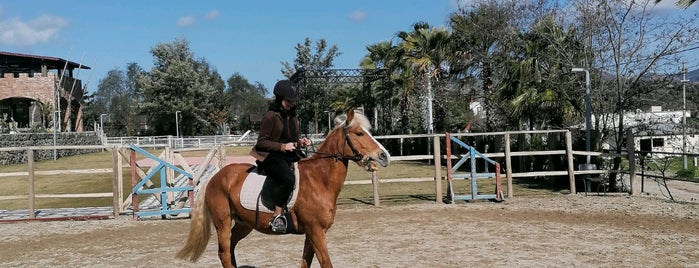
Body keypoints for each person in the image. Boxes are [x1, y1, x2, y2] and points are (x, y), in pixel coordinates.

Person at [249, 79, 310, 233]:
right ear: (279, 98)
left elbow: (291, 139)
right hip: (270, 155)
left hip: (289, 153)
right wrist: (283, 146)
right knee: (288, 178)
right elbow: (262, 142)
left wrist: (299, 143)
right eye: (288, 101)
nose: (291, 104)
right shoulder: (270, 116)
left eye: (293, 101)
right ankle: (277, 216)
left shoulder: (293, 116)